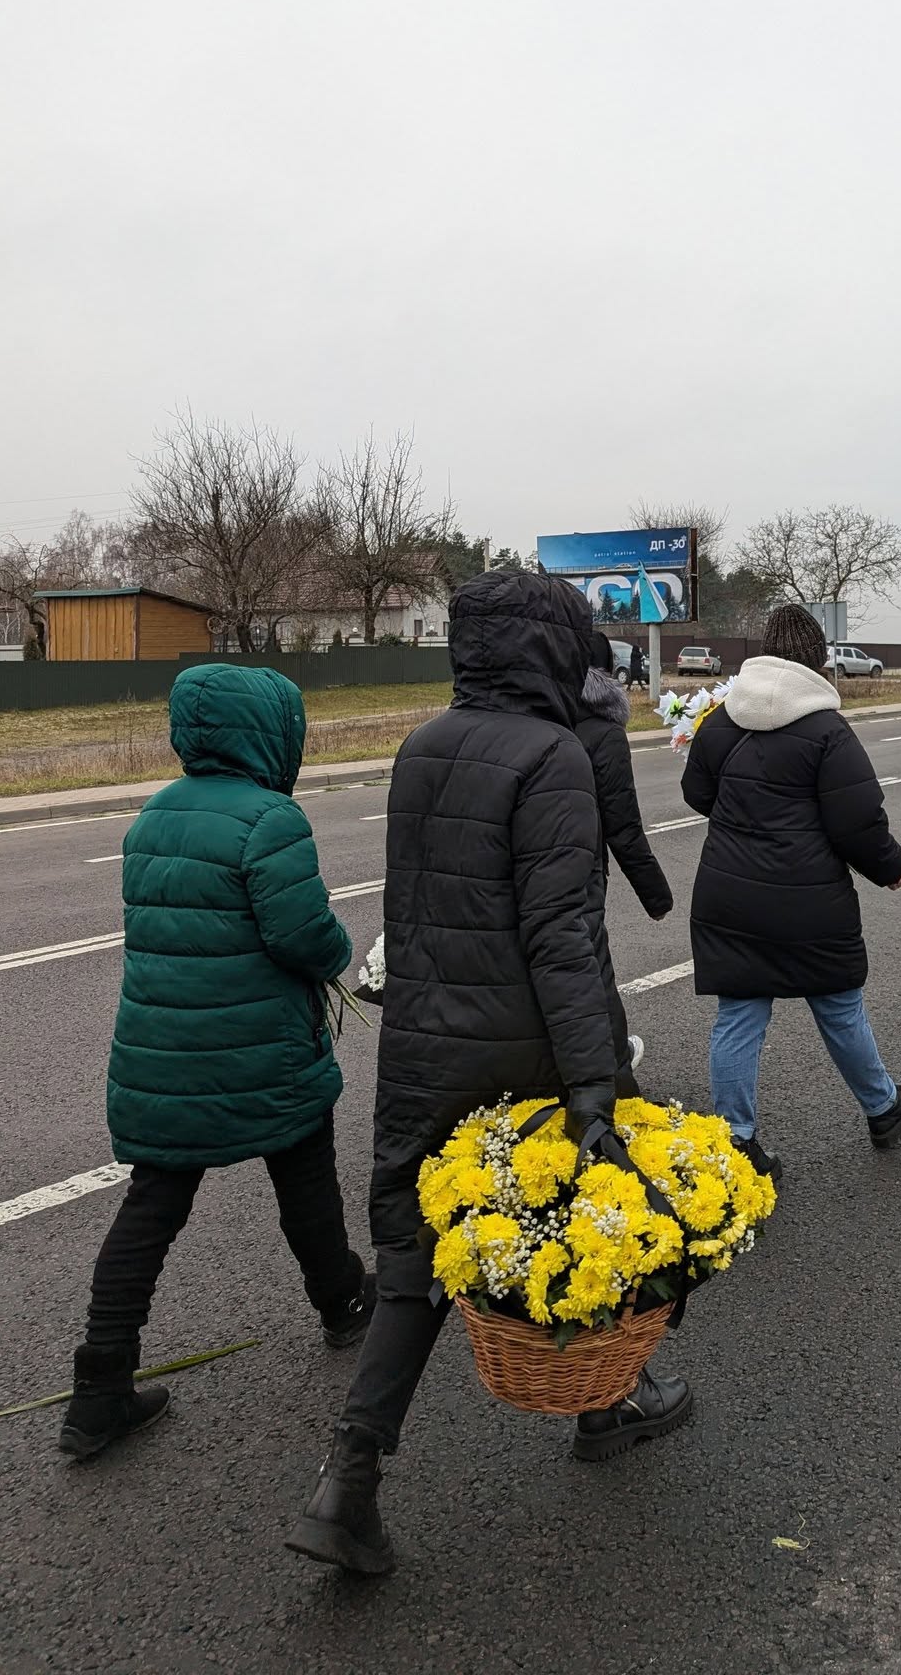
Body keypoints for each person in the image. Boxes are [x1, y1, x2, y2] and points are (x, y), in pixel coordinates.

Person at [288, 573, 690, 1578]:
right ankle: (606, 1399)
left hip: (424, 1038)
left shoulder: (421, 745)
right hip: (526, 1041)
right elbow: (561, 933)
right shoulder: (553, 756)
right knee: (590, 1211)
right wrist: (595, 1080)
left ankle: (352, 1475)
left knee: (419, 1250)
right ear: (552, 649)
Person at [60, 665, 372, 1463]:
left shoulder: (152, 813)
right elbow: (303, 936)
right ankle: (342, 1302)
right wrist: (345, 958)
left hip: (163, 1054)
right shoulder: (272, 818)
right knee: (305, 1186)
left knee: (151, 1210)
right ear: (271, 731)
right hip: (262, 1052)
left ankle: (98, 1389)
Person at [681, 603, 901, 1171]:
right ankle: (882, 1108)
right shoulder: (826, 730)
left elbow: (697, 794)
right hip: (809, 899)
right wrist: (891, 868)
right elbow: (857, 820)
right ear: (817, 658)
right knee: (839, 1006)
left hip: (728, 893)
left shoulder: (721, 720)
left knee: (738, 1015)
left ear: (764, 652)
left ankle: (735, 1141)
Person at [575, 630, 674, 1081]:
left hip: (524, 868)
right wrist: (656, 896)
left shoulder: (544, 718)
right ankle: (614, 1070)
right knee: (592, 968)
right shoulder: (605, 733)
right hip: (580, 871)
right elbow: (622, 823)